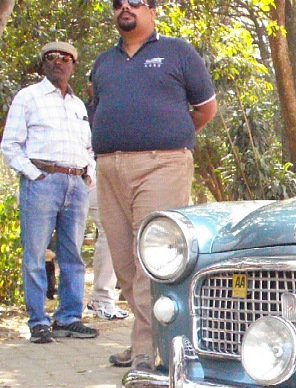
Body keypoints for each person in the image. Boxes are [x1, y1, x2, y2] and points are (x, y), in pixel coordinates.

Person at [91, 0, 217, 368]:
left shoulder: (177, 52)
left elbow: (206, 108)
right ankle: (147, 337)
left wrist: (167, 139)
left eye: (134, 1)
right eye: (117, 4)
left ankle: (148, 350)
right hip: (109, 168)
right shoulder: (102, 62)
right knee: (124, 262)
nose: (124, 7)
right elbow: (98, 111)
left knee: (152, 257)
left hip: (161, 166)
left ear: (152, 10)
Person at [1, 41, 99, 344]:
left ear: (73, 66)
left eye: (66, 58)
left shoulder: (78, 105)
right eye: (52, 58)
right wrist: (35, 175)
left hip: (76, 184)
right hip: (42, 182)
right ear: (44, 64)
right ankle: (38, 322)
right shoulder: (28, 97)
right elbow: (10, 146)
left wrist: (88, 174)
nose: (59, 62)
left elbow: (89, 147)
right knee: (35, 254)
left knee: (73, 256)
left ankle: (68, 319)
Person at [84, 80, 128, 321]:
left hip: (106, 177)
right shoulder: (83, 109)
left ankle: (102, 298)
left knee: (111, 231)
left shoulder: (116, 109)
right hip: (82, 178)